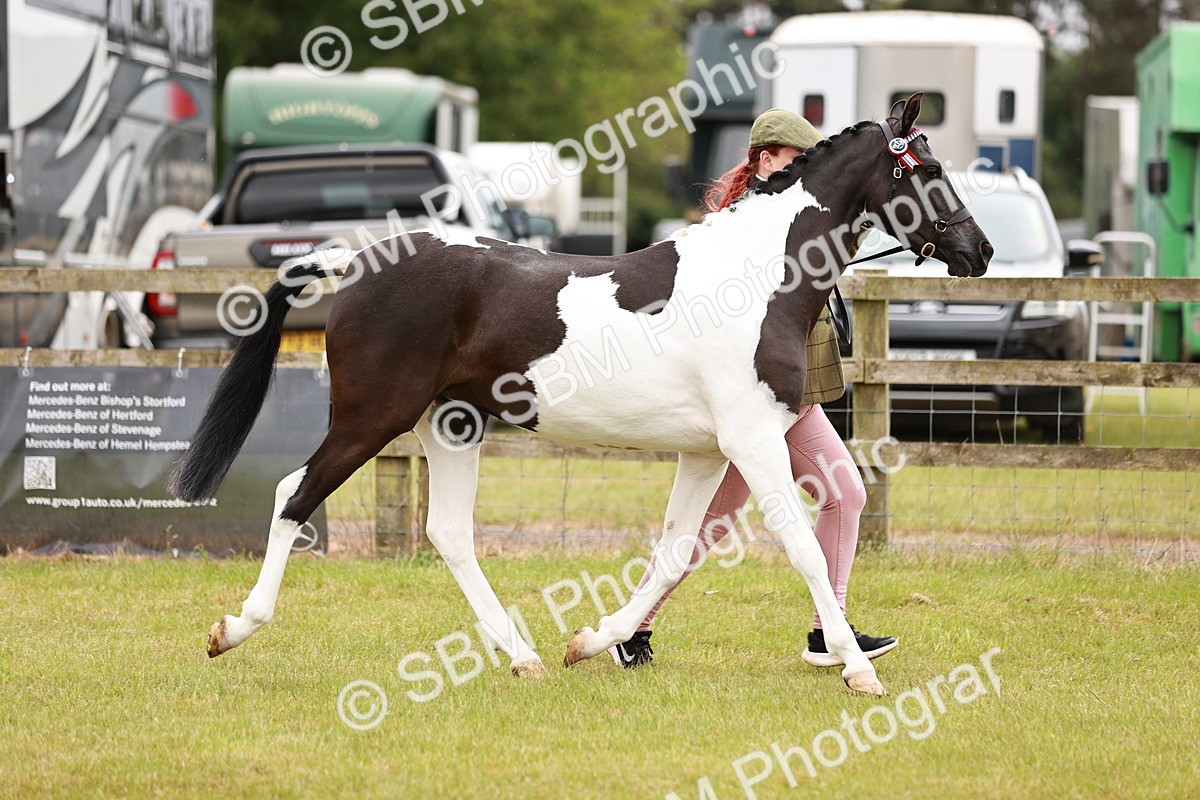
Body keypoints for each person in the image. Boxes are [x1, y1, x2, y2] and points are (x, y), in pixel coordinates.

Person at [616, 108, 897, 669]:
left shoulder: (793, 218)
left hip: (788, 396)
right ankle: (638, 626)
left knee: (746, 515)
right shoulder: (745, 224)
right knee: (806, 501)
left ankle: (821, 628)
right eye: (799, 160)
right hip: (753, 397)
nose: (809, 172)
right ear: (767, 159)